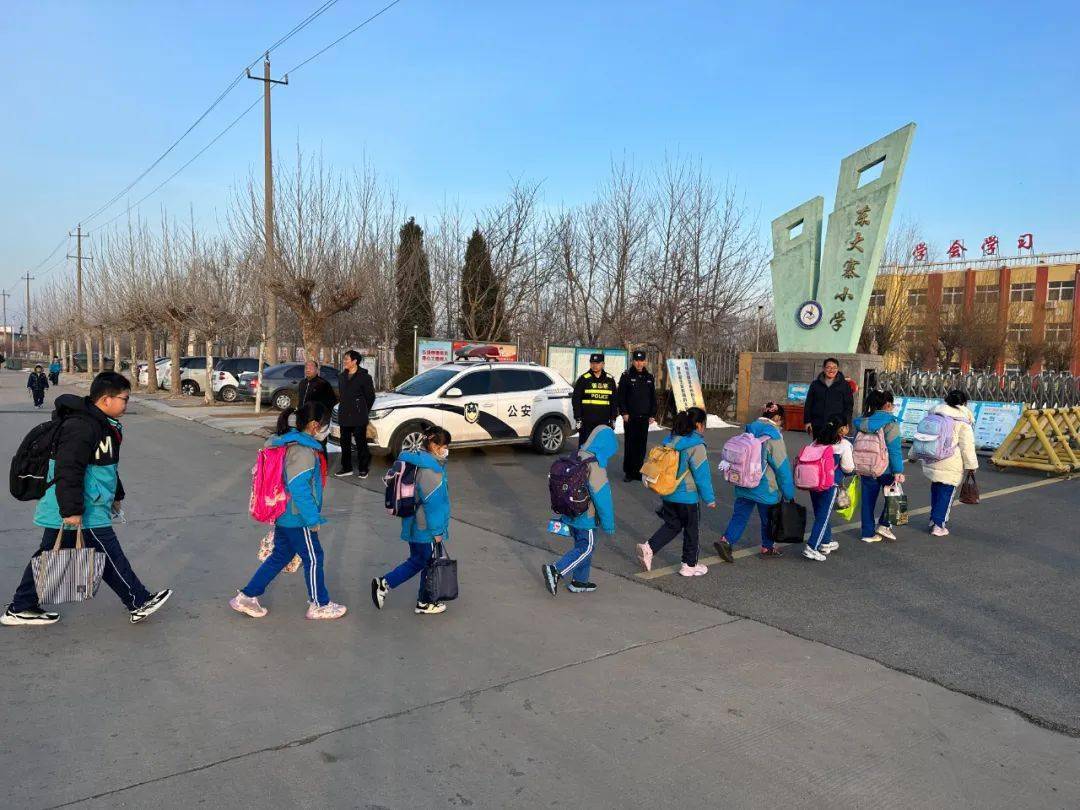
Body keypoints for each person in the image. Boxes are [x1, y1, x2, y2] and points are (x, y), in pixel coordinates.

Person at [2, 372, 172, 627]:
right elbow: (68, 469)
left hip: (85, 503)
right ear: (106, 400)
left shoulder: (102, 424)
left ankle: (22, 606)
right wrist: (71, 510)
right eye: (124, 399)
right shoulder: (81, 426)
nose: (127, 404)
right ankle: (138, 600)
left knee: (52, 555)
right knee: (106, 553)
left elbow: (105, 467)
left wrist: (116, 495)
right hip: (78, 506)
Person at [230, 401, 347, 620]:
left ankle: (247, 596)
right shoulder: (303, 451)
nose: (326, 429)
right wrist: (312, 518)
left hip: (285, 513)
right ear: (314, 425)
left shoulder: (292, 443)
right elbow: (298, 487)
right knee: (313, 558)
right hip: (297, 516)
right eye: (325, 424)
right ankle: (319, 604)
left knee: (281, 555)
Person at [371, 426, 453, 615]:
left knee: (419, 560)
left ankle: (419, 599)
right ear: (433, 445)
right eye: (444, 445)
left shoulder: (415, 461)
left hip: (413, 522)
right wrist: (438, 533)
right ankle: (398, 589)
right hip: (426, 527)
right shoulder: (431, 470)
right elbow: (434, 506)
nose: (446, 449)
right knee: (426, 562)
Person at [636, 407, 716, 576]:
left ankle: (649, 547)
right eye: (703, 424)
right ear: (698, 425)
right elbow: (702, 475)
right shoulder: (696, 446)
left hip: (668, 493)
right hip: (687, 496)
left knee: (673, 525)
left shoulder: (671, 440)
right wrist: (709, 498)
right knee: (692, 530)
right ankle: (689, 565)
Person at [714, 402, 795, 562]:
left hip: (744, 482)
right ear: (777, 417)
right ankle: (767, 547)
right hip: (765, 487)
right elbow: (782, 468)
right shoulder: (774, 436)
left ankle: (726, 541)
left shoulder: (749, 429)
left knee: (740, 515)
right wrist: (788, 493)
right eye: (782, 420)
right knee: (768, 519)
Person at [542, 424, 617, 596]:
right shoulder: (595, 465)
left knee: (581, 546)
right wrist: (608, 523)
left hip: (571, 512)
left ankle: (579, 581)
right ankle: (556, 570)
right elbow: (602, 497)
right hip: (586, 517)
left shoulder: (577, 455)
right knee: (587, 548)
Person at [910, 390, 978, 537]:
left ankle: (933, 519)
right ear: (964, 403)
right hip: (951, 462)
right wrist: (971, 466)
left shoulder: (934, 414)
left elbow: (923, 437)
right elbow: (967, 446)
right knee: (946, 494)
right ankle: (939, 525)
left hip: (932, 459)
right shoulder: (963, 421)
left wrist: (912, 455)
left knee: (936, 490)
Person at [852, 389, 905, 543]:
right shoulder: (890, 422)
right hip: (885, 468)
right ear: (888, 404)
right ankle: (885, 524)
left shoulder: (861, 421)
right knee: (896, 497)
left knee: (867, 501)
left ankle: (867, 533)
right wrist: (898, 471)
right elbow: (894, 450)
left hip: (865, 466)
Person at [801, 415, 855, 562]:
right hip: (829, 484)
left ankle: (826, 542)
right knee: (823, 517)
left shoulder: (817, 441)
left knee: (821, 513)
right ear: (842, 429)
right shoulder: (844, 444)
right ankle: (812, 547)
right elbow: (848, 467)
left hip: (813, 483)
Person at [617, 349, 657, 482]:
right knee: (630, 445)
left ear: (645, 361)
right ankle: (629, 472)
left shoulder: (649, 377)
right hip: (631, 417)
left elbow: (653, 397)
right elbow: (621, 396)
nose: (639, 363)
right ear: (633, 361)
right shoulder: (626, 376)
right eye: (637, 361)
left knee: (641, 445)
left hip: (644, 417)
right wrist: (624, 412)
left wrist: (652, 413)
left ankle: (638, 471)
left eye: (642, 361)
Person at [335, 350, 375, 479]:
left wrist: (362, 409)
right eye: (344, 359)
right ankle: (346, 467)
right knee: (344, 442)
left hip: (359, 416)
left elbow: (370, 397)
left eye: (347, 359)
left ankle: (363, 468)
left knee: (361, 443)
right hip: (344, 414)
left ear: (354, 361)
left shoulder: (365, 377)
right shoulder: (341, 376)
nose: (344, 361)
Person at [572, 353, 618, 449]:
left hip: (603, 422)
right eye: (592, 363)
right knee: (584, 449)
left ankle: (598, 465)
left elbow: (614, 401)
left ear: (603, 364)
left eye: (597, 363)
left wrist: (613, 418)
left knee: (600, 449)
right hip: (586, 422)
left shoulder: (609, 380)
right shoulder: (583, 379)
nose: (594, 365)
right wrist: (578, 418)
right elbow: (576, 400)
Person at [803, 358, 854, 439]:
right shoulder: (815, 384)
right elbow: (808, 404)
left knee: (835, 450)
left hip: (837, 425)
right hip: (818, 424)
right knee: (818, 449)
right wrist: (807, 421)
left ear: (838, 369)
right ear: (823, 368)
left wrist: (846, 423)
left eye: (834, 367)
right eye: (828, 367)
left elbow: (848, 406)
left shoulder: (844, 385)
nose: (831, 370)